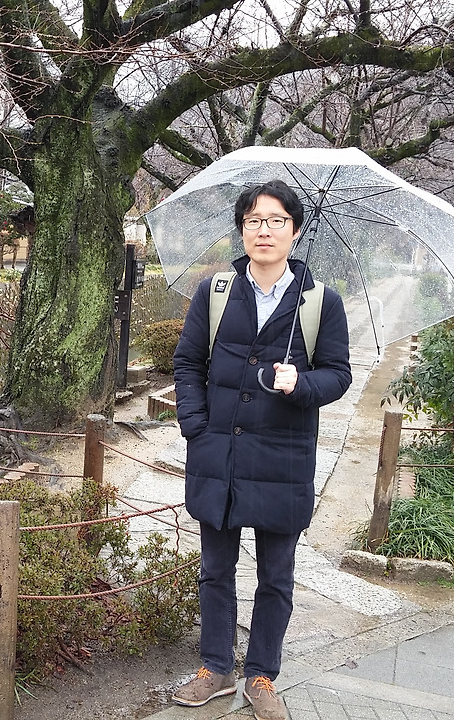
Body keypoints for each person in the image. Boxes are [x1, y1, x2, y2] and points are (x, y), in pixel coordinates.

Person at [170, 181, 353, 720]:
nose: (263, 230)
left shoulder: (320, 303)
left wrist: (303, 384)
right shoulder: (215, 292)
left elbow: (339, 374)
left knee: (276, 575)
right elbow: (188, 363)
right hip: (220, 456)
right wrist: (196, 427)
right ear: (242, 230)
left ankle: (262, 675)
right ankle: (215, 667)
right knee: (215, 569)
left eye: (275, 220)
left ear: (295, 230)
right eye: (253, 220)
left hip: (283, 459)